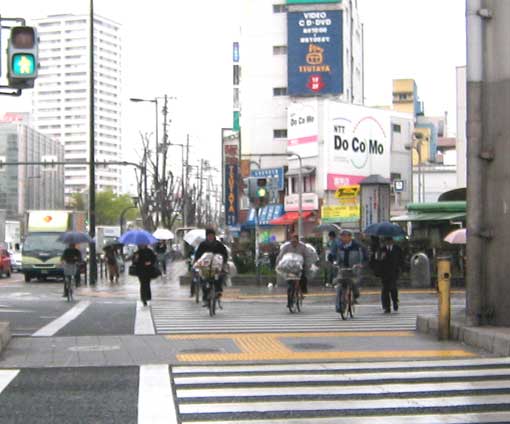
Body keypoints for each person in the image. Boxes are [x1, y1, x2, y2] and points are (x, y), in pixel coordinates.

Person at [334, 229, 368, 312]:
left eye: (344, 236)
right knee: (339, 285)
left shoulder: (358, 246)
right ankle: (339, 306)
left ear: (350, 237)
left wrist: (361, 264)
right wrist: (336, 264)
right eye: (341, 236)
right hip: (343, 269)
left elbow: (365, 258)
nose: (342, 238)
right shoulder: (340, 247)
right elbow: (337, 258)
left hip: (354, 269)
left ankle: (355, 294)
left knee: (354, 283)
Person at [194, 228, 228, 305]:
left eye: (211, 235)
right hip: (205, 267)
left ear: (214, 235)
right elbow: (198, 255)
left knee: (219, 277)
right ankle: (205, 297)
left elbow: (224, 254)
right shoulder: (202, 244)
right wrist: (198, 262)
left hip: (216, 267)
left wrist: (222, 261)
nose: (210, 237)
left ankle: (218, 291)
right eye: (209, 235)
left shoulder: (219, 244)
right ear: (206, 236)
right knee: (203, 280)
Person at [276, 234, 309, 307]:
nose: (293, 242)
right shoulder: (286, 247)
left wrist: (307, 264)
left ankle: (303, 291)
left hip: (299, 266)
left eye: (295, 241)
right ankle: (289, 301)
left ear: (298, 240)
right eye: (292, 241)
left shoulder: (302, 247)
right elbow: (281, 256)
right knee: (290, 284)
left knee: (303, 277)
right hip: (289, 266)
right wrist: (278, 263)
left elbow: (307, 256)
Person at [377, 236, 404, 313]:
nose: (388, 242)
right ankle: (386, 306)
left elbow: (401, 259)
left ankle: (395, 301)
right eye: (387, 241)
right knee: (385, 289)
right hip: (384, 272)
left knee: (393, 288)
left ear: (392, 241)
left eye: (390, 240)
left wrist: (401, 268)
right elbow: (378, 260)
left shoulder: (397, 249)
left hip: (394, 271)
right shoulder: (382, 249)